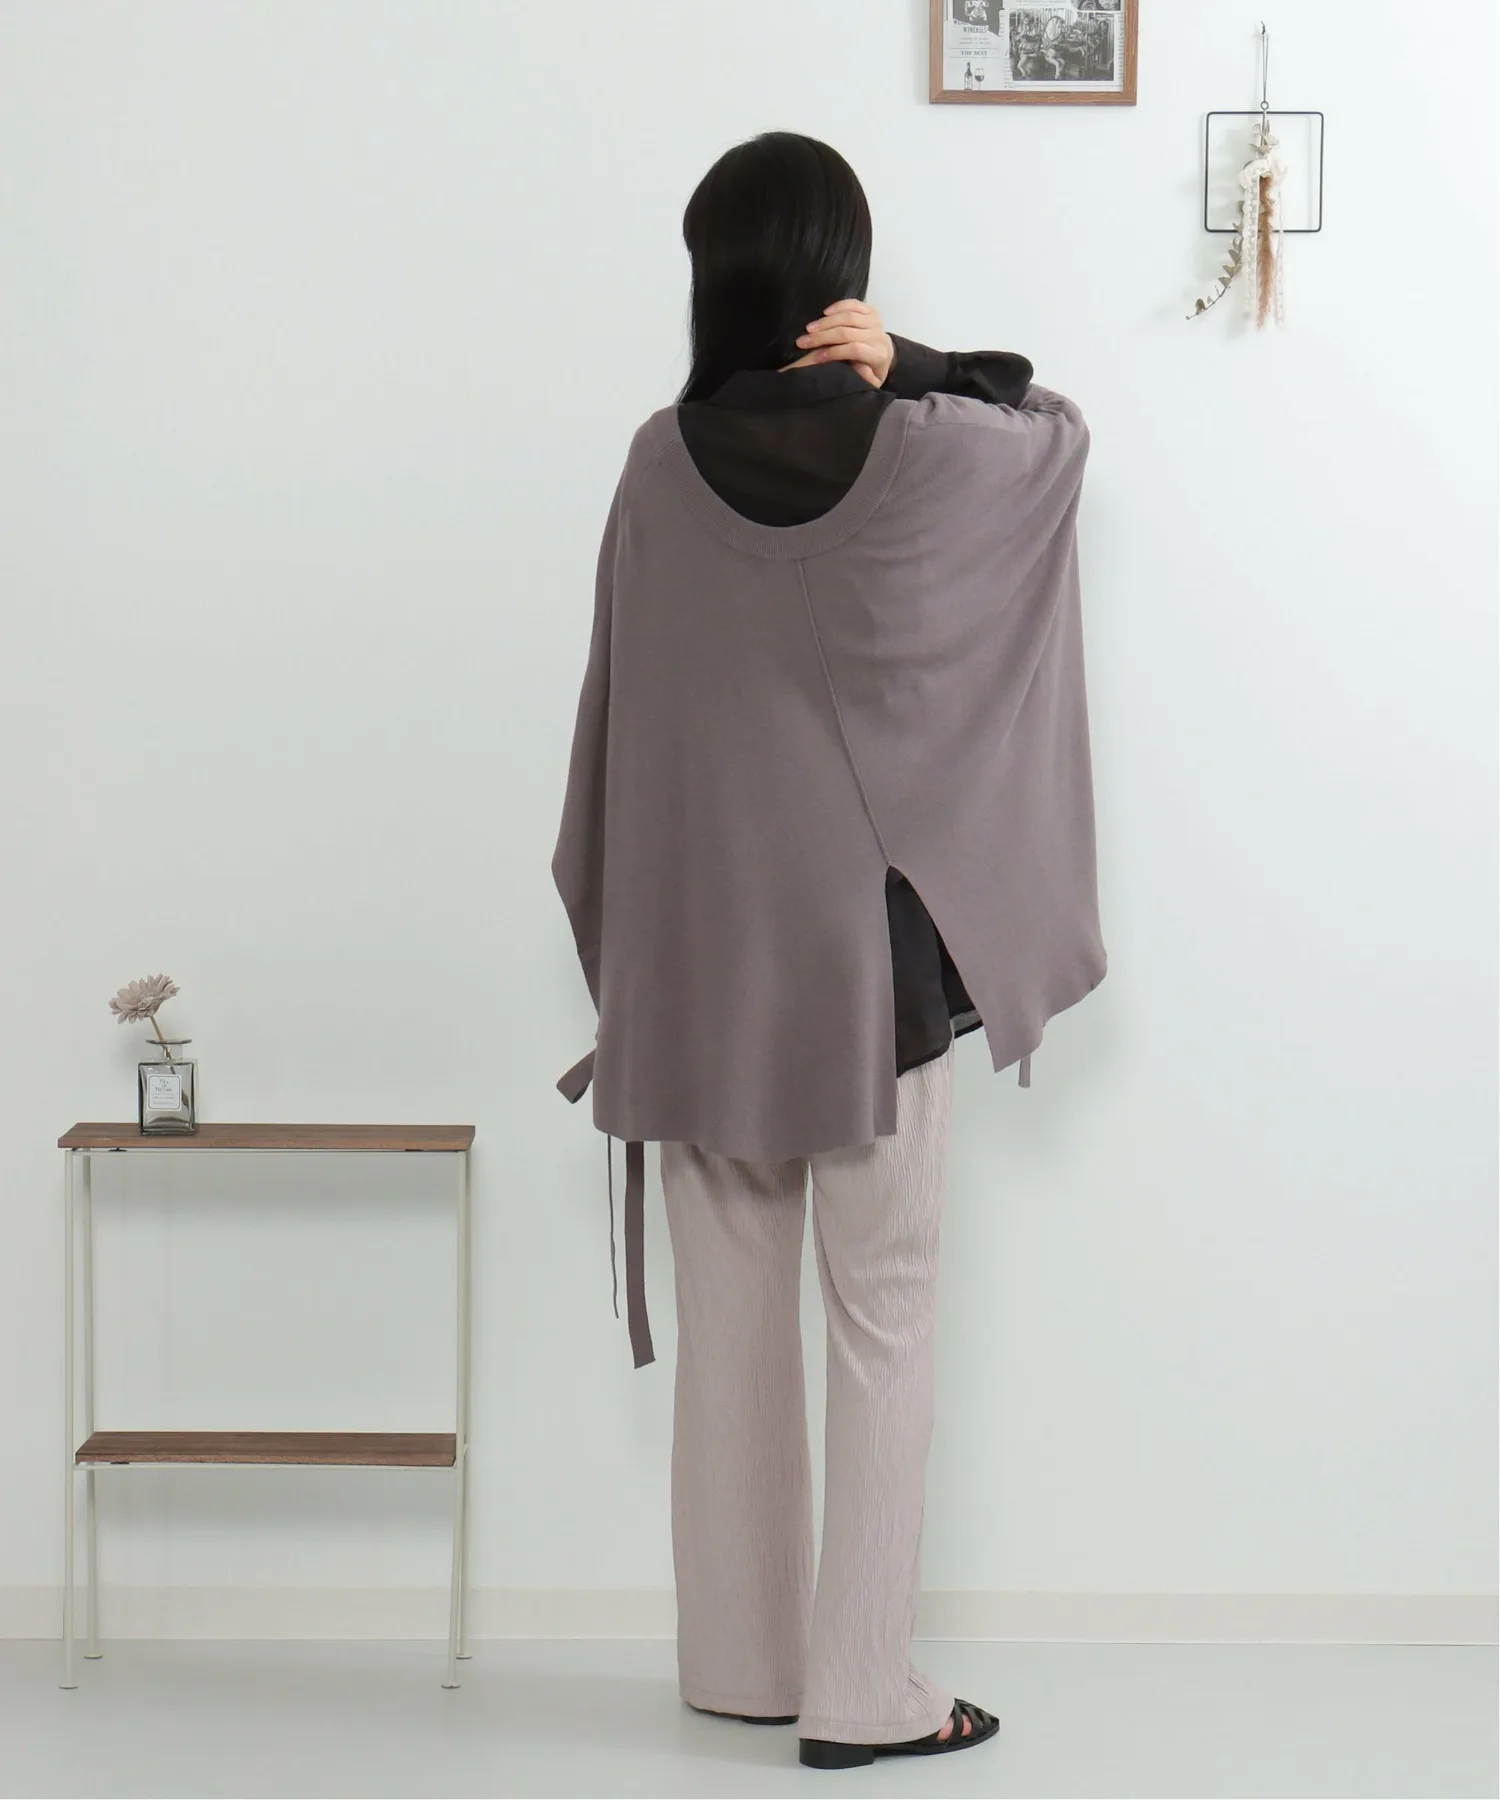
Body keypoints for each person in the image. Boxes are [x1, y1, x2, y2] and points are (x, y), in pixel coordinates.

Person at [551, 131, 1105, 1770]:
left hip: (706, 977)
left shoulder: (658, 464)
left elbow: (623, 733)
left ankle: (741, 1666)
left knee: (733, 1329)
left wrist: (634, 959)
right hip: (877, 983)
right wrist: (912, 359)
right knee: (886, 1317)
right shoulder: (928, 446)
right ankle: (864, 1691)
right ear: (837, 276)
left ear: (711, 276)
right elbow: (1062, 435)